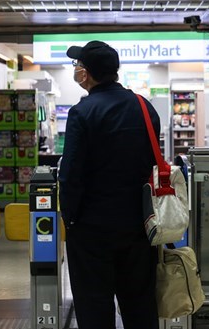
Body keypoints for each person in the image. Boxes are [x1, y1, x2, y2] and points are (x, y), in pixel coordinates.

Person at [58, 40, 160, 329]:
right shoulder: (144, 106)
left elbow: (71, 173)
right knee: (140, 304)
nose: (76, 70)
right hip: (140, 224)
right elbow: (153, 161)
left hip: (92, 227)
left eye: (78, 66)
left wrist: (72, 218)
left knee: (94, 306)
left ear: (85, 74)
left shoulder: (83, 112)